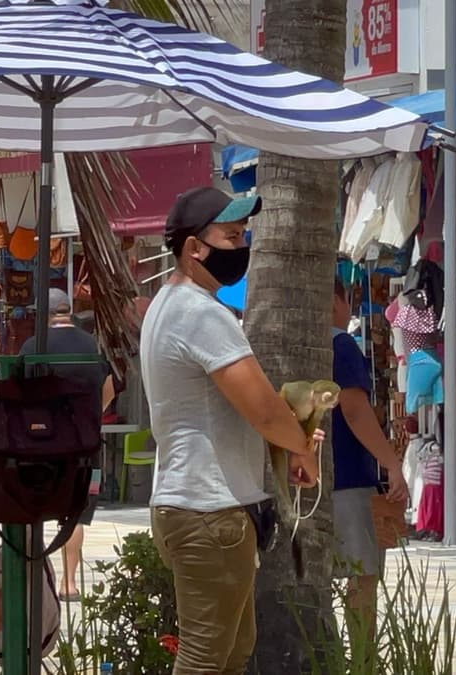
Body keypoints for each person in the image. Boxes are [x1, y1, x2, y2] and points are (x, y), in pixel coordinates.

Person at [141, 186, 320, 675]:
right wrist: (302, 445)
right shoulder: (201, 313)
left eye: (243, 234)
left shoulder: (165, 305)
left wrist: (293, 441)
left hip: (195, 503)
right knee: (205, 659)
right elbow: (261, 408)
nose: (242, 245)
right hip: (209, 508)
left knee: (231, 655)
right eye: (231, 235)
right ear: (193, 247)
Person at [20, 287, 115, 601]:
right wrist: (92, 415)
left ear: (44, 315)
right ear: (68, 311)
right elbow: (111, 387)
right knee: (75, 514)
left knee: (34, 511)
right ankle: (69, 583)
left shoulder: (34, 345)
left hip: (42, 444)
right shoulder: (93, 345)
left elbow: (18, 391)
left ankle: (34, 579)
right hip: (87, 444)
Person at [330, 277, 407, 642]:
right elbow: (354, 409)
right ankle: (363, 658)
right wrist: (392, 463)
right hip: (347, 477)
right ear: (336, 303)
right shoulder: (340, 344)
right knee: (362, 578)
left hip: (306, 476)